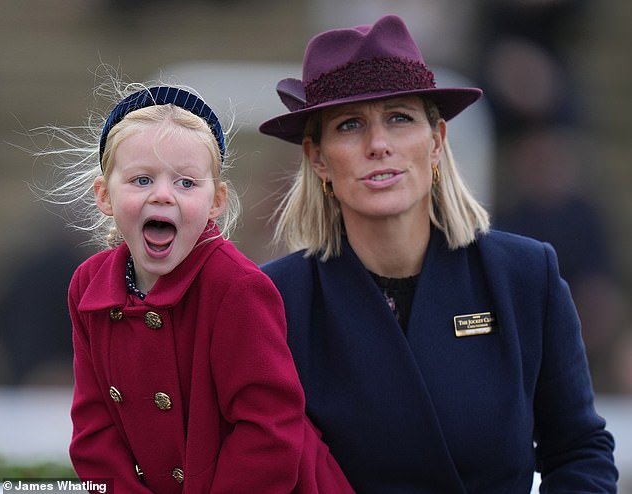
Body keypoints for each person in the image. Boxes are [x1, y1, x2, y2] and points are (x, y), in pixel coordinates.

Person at [258, 14, 618, 493]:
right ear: (318, 158)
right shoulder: (274, 302)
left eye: (400, 118)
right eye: (349, 125)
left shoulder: (526, 276)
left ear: (437, 142)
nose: (378, 144)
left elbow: (579, 451)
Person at [35, 81, 354, 493]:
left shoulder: (237, 287)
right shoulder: (88, 285)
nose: (163, 195)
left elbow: (268, 431)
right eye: (141, 180)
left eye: (186, 183)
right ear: (104, 196)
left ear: (216, 200)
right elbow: (94, 430)